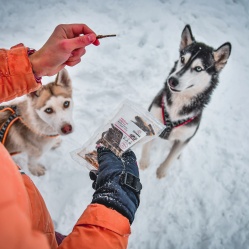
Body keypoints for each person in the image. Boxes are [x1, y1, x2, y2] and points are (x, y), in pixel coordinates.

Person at [0, 23, 142, 249]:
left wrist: (34, 64)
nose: (64, 122)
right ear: (34, 105)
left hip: (33, 221)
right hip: (29, 226)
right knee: (36, 153)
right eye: (49, 111)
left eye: (66, 105)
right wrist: (115, 205)